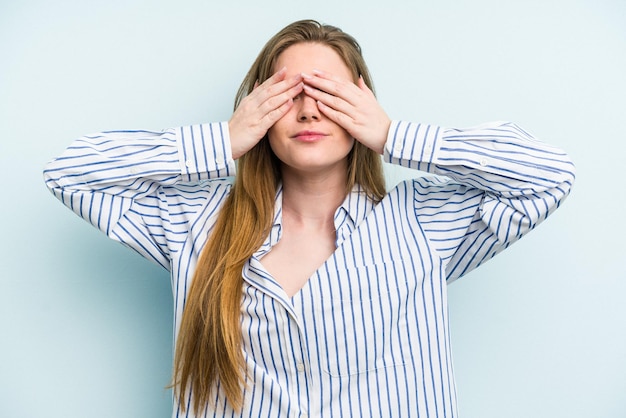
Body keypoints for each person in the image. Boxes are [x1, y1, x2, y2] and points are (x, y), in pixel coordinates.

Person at [44, 19, 575, 418]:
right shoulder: (196, 224)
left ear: (362, 102)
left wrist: (394, 136)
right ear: (259, 106)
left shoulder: (422, 221)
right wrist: (225, 139)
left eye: (329, 93)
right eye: (289, 93)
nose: (308, 111)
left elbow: (549, 176)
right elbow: (68, 173)